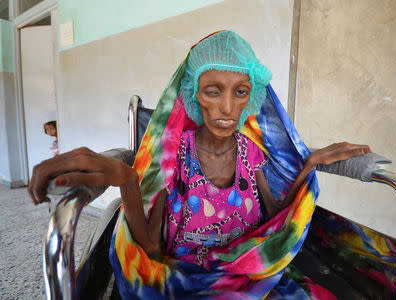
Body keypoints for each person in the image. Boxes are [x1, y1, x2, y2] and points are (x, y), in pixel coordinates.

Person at [29, 31, 370, 298]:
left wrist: (310, 164)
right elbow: (150, 249)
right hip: (185, 282)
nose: (226, 107)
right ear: (193, 94)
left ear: (251, 97)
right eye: (213, 91)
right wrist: (126, 178)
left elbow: (276, 221)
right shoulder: (175, 157)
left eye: (240, 92)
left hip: (248, 276)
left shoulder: (252, 154)